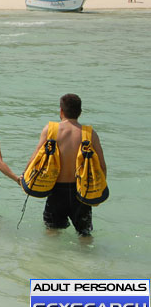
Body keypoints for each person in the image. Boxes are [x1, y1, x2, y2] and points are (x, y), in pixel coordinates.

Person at [24, 94, 107, 237]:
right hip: (81, 192)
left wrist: (24, 177)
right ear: (80, 112)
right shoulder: (90, 134)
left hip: (56, 192)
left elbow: (34, 159)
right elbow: (102, 166)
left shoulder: (51, 130)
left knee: (52, 232)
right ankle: (86, 259)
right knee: (85, 235)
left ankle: (53, 259)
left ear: (61, 111)